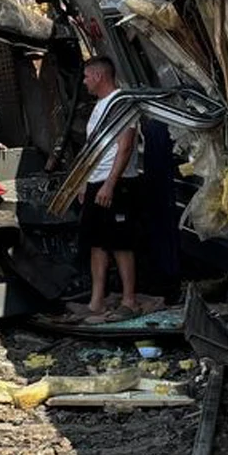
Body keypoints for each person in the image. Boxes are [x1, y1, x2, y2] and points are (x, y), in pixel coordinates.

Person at [80, 56, 152, 321]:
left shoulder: (121, 103)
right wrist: (84, 182)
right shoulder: (99, 106)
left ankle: (129, 299)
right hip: (96, 181)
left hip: (117, 183)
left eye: (87, 76)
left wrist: (110, 184)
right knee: (97, 242)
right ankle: (96, 301)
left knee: (121, 242)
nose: (85, 82)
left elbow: (125, 146)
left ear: (98, 76)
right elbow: (94, 148)